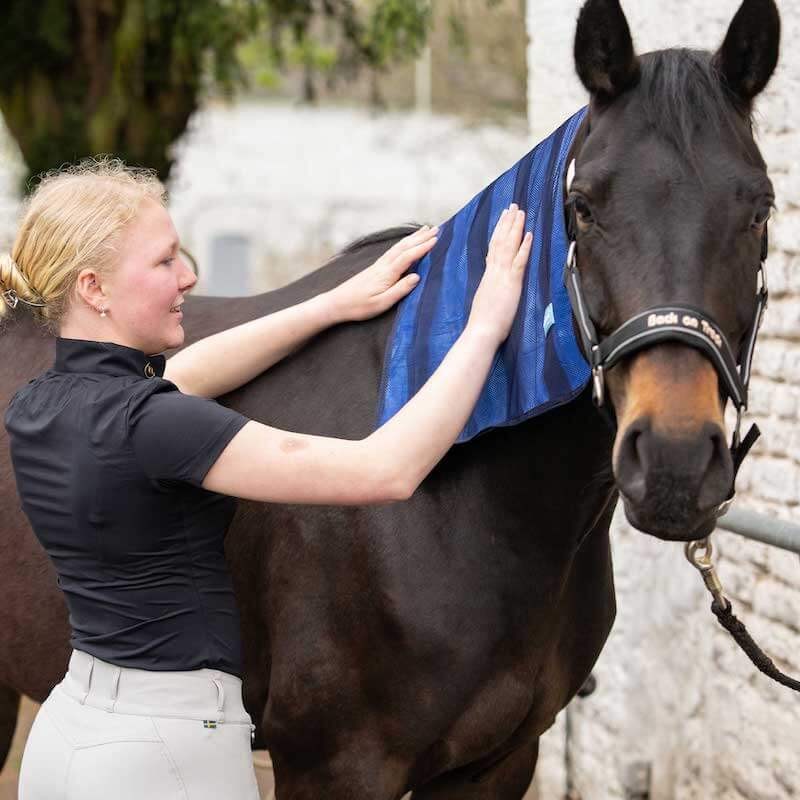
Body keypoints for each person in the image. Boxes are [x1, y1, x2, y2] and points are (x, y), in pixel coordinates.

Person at [1, 157, 532, 800]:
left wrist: (331, 305)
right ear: (94, 288)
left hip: (66, 737)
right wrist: (485, 326)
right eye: (164, 261)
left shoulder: (38, 404)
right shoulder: (155, 424)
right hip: (169, 753)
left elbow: (188, 372)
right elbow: (388, 469)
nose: (188, 276)